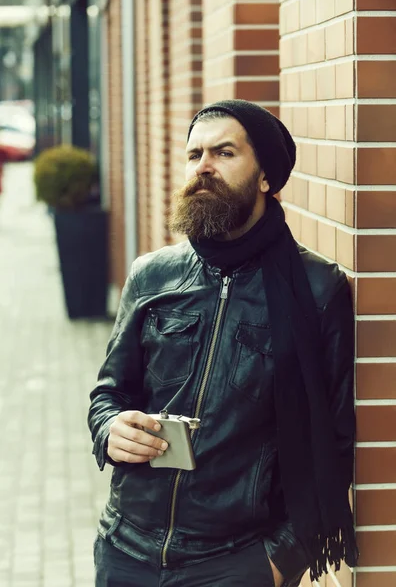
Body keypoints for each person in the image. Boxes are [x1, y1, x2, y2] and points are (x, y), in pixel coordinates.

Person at [88, 99, 358, 587]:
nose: (203, 167)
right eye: (195, 155)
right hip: (125, 549)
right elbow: (109, 392)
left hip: (237, 563)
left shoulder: (317, 289)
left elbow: (335, 441)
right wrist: (111, 427)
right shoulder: (152, 275)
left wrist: (277, 562)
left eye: (224, 153)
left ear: (265, 177)